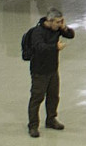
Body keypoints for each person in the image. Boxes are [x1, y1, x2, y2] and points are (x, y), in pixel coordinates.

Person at [25, 8, 74, 138]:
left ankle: (51, 119)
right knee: (37, 97)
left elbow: (71, 35)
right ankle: (33, 125)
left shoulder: (57, 29)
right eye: (58, 22)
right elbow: (39, 48)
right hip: (39, 71)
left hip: (52, 69)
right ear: (50, 21)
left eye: (61, 22)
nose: (59, 24)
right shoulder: (38, 32)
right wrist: (55, 48)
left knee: (53, 96)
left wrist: (64, 28)